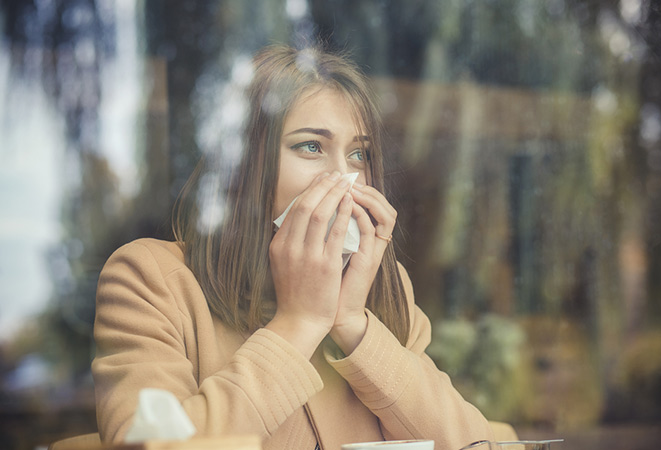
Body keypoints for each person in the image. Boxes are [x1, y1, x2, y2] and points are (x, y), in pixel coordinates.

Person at [92, 44, 495, 450]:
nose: (343, 178)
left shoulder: (387, 292)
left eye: (359, 155)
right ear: (247, 165)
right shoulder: (150, 279)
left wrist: (354, 323)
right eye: (311, 147)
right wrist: (298, 323)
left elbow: (476, 444)